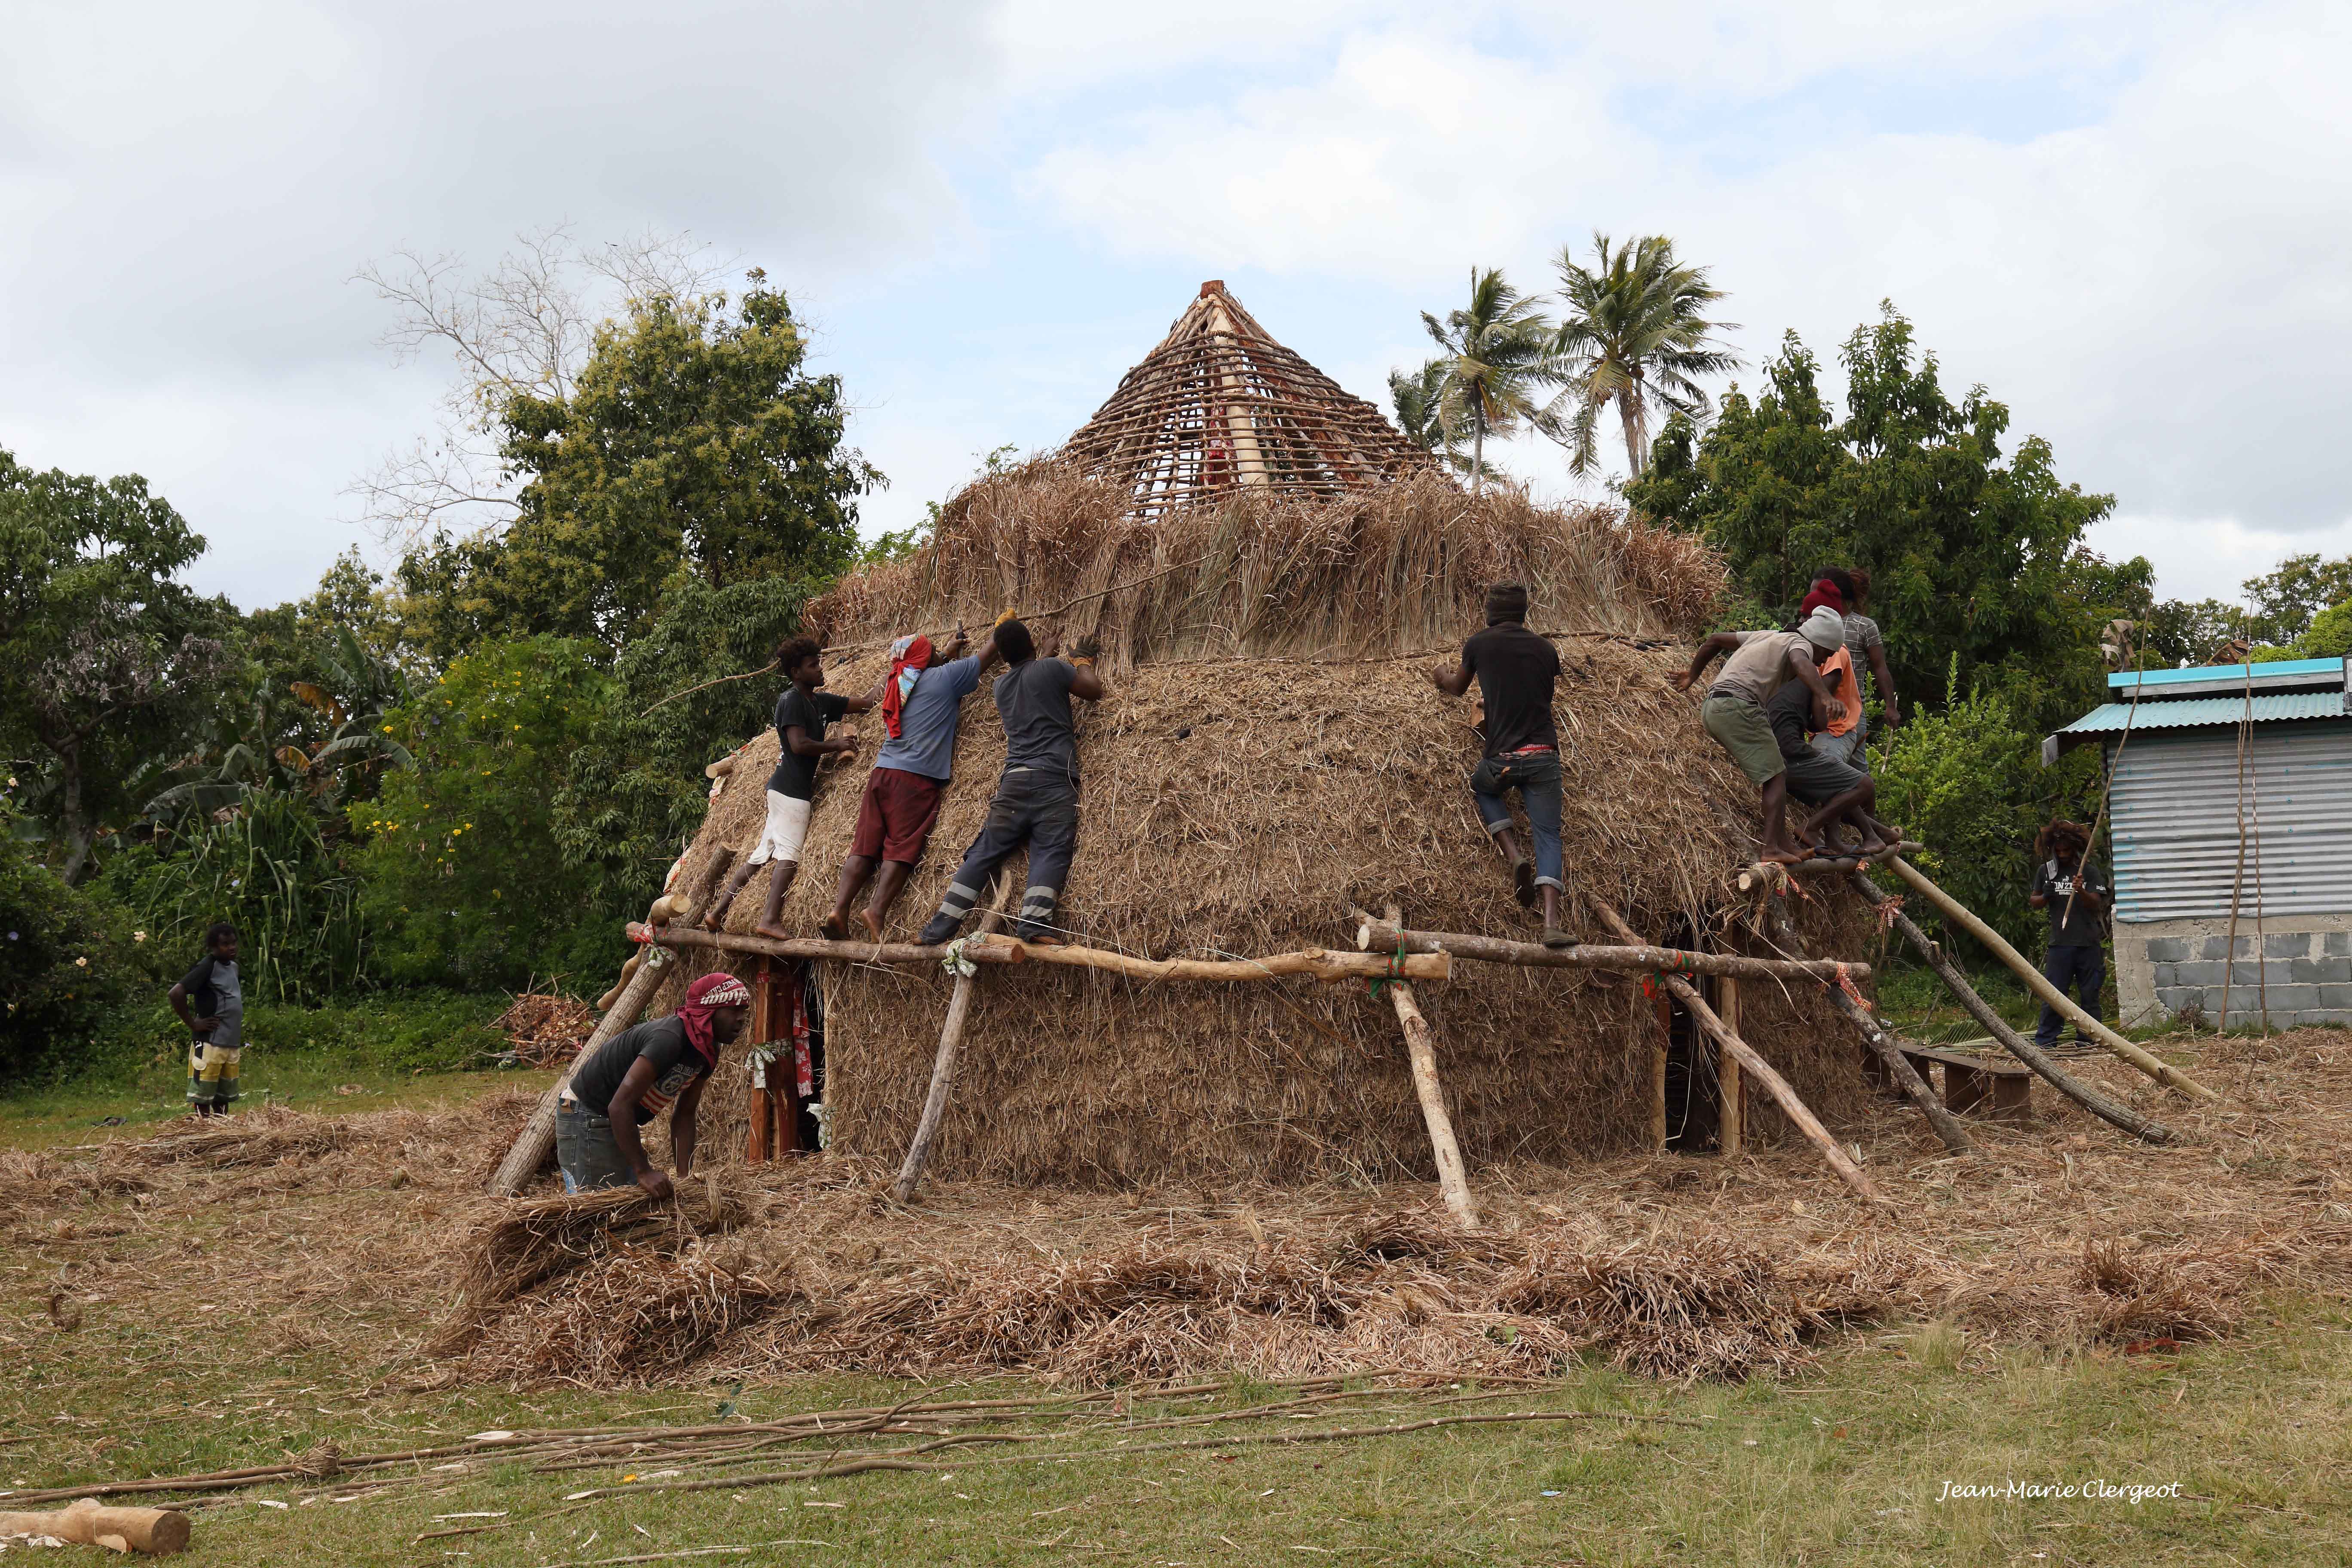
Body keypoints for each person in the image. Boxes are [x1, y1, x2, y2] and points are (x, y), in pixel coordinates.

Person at [916, 617, 1106, 947]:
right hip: (1053, 780)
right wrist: (1081, 663)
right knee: (1050, 847)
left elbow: (1030, 674)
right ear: (1032, 644)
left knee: (984, 853)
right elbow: (1093, 691)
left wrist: (1045, 657)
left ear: (1002, 658)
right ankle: (1033, 923)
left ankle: (937, 929)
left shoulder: (999, 687)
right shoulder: (1053, 669)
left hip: (1014, 784)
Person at [821, 624, 1002, 941]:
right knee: (902, 847)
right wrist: (1002, 628)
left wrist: (945, 652)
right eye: (931, 650)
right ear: (925, 658)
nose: (937, 653)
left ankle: (840, 909)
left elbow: (931, 666)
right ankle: (876, 910)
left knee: (864, 847)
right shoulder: (944, 678)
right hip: (915, 780)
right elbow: (987, 656)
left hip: (882, 773)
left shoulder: (898, 682)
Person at [704, 638, 875, 940]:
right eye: (813, 665)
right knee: (790, 855)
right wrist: (835, 744)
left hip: (784, 791)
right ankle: (770, 919)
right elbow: (798, 745)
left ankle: (717, 913)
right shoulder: (791, 701)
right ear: (796, 672)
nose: (820, 668)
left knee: (761, 854)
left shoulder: (819, 702)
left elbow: (863, 704)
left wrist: (894, 679)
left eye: (819, 662)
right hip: (790, 791)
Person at [1431, 581, 1570, 946]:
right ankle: (1552, 924)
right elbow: (1540, 697)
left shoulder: (1480, 644)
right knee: (1549, 836)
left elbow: (1458, 687)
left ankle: (1512, 855)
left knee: (1481, 786)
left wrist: (1440, 676)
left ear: (1491, 612)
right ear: (1524, 612)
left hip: (1502, 760)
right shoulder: (1546, 650)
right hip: (1543, 755)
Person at [1670, 607, 1849, 865]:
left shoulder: (1766, 636)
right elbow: (1801, 663)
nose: (1823, 662)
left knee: (1778, 772)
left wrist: (1693, 675)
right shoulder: (1801, 645)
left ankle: (1782, 843)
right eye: (1826, 654)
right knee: (1776, 777)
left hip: (1713, 707)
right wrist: (1825, 696)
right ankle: (1771, 848)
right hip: (1740, 707)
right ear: (1818, 643)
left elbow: (1715, 640)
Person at [556, 972, 751, 1195]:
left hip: (616, 1119)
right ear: (708, 1012)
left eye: (743, 1010)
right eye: (733, 1009)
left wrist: (685, 1177)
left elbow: (685, 1114)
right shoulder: (669, 1039)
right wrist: (644, 1171)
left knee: (625, 1205)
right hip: (587, 1114)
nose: (741, 1018)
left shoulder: (706, 1051)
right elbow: (619, 1105)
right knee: (599, 1211)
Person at [1761, 673, 1899, 856]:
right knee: (1864, 785)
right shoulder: (1824, 676)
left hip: (1774, 756)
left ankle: (1873, 833)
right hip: (1791, 755)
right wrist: (1832, 712)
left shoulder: (1787, 682)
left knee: (1836, 785)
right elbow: (1820, 722)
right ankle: (1811, 828)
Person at [1809, 567, 1901, 772]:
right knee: (1847, 775)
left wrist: (1890, 706)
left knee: (1848, 772)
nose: (1811, 597)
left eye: (1816, 592)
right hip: (1819, 710)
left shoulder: (1864, 627)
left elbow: (1880, 667)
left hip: (1851, 713)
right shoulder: (1811, 624)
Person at [2028, 821, 2109, 1053]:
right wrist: (2046, 895)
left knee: (2089, 995)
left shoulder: (2088, 871)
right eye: (2059, 851)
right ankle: (2046, 1042)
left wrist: (2081, 891)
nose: (2063, 855)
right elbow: (2034, 902)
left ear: (2075, 849)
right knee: (2054, 995)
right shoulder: (2046, 871)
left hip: (2087, 944)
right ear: (2053, 848)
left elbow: (2096, 905)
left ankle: (2089, 1040)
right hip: (2059, 945)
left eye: (2067, 851)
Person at [167, 922, 243, 1117]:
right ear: (214, 948)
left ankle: (222, 1129)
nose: (232, 947)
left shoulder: (233, 967)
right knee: (204, 1094)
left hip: (230, 1043)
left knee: (223, 1094)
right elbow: (176, 993)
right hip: (210, 1042)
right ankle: (205, 1129)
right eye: (226, 944)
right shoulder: (207, 967)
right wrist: (193, 1023)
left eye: (234, 943)